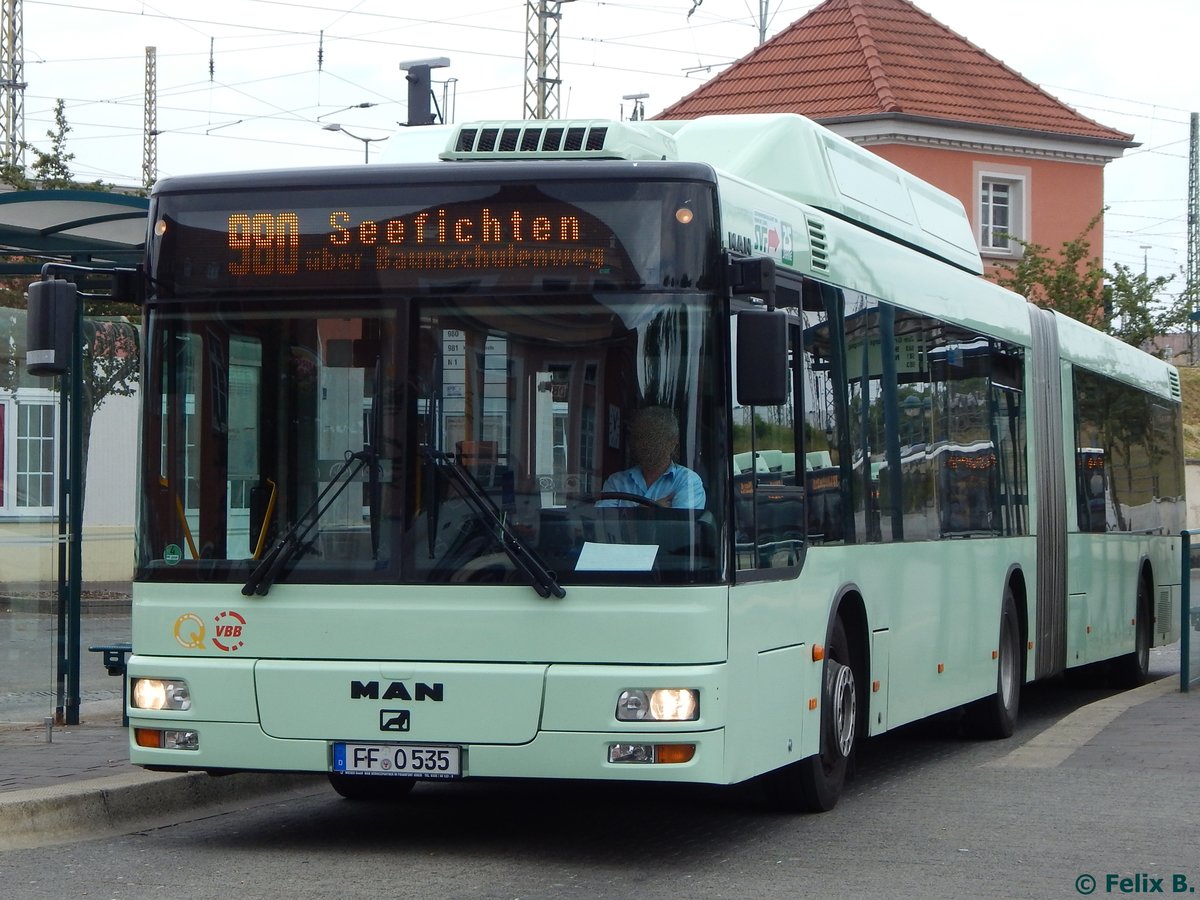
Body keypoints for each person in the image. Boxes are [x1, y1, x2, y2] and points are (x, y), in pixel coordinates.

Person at [598, 406, 705, 509]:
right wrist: (648, 511)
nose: (647, 444)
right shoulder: (616, 482)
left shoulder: (687, 481)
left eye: (655, 437)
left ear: (673, 442)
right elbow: (602, 520)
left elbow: (682, 522)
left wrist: (628, 515)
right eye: (641, 437)